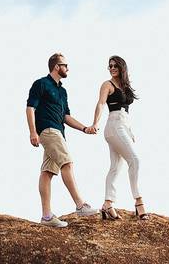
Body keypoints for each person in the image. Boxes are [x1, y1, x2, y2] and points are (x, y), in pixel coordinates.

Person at [26, 52, 101, 227]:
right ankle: (80, 205)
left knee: (48, 172)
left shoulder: (63, 91)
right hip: (48, 130)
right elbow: (30, 108)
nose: (68, 68)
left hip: (58, 132)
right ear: (56, 66)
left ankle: (46, 216)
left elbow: (66, 116)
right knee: (67, 163)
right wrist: (32, 132)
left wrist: (84, 128)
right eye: (65, 65)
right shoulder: (41, 84)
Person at [87, 55, 150, 220]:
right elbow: (101, 103)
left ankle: (108, 204)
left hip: (123, 126)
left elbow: (126, 112)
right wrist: (94, 123)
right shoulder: (107, 84)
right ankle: (139, 201)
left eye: (115, 65)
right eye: (110, 66)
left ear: (122, 67)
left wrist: (130, 132)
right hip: (114, 126)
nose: (112, 68)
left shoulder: (125, 85)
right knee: (135, 160)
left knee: (115, 167)